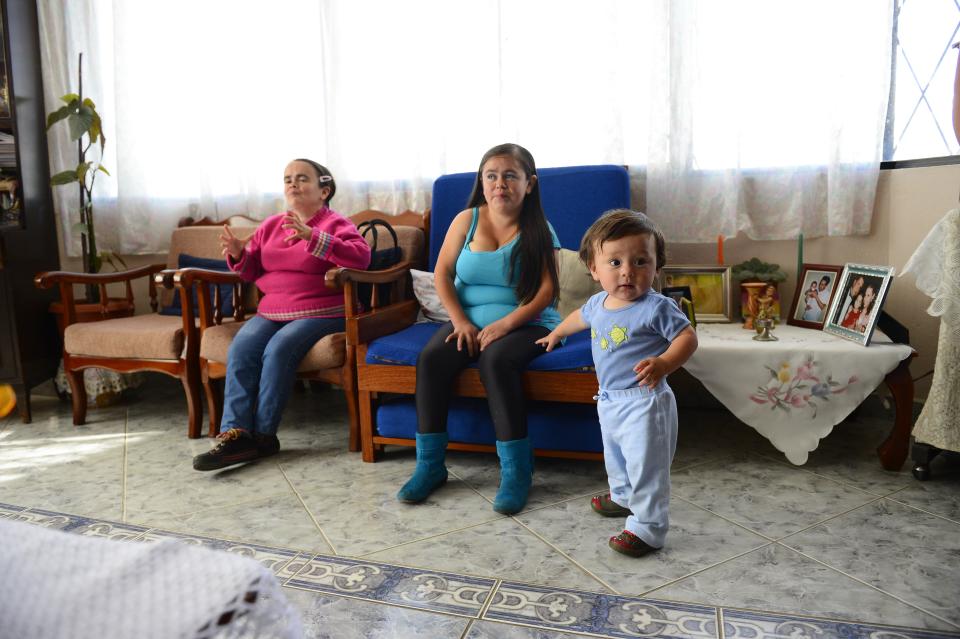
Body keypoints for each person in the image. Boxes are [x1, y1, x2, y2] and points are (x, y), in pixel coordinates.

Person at [396, 143, 562, 515]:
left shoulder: (539, 228)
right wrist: (460, 322)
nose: (499, 183)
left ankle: (517, 473)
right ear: (482, 182)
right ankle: (430, 466)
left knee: (496, 362)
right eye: (491, 175)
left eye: (510, 175)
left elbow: (547, 291)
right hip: (467, 320)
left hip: (525, 321)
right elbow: (442, 274)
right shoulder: (466, 219)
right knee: (432, 359)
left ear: (529, 183)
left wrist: (506, 324)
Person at [536, 210, 698, 558]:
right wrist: (556, 333)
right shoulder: (598, 303)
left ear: (656, 267)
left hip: (645, 401)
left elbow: (688, 338)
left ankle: (648, 528)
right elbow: (578, 317)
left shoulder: (658, 308)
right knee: (616, 456)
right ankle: (623, 496)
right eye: (615, 261)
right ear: (594, 269)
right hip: (609, 399)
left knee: (647, 466)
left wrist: (665, 362)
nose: (627, 271)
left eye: (641, 261)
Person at [192, 159, 372, 471]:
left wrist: (312, 236)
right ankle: (235, 436)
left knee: (279, 349)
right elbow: (252, 271)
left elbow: (362, 258)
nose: (292, 184)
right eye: (288, 178)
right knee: (242, 348)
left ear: (324, 190)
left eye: (302, 179)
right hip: (273, 309)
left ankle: (263, 437)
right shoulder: (271, 225)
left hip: (322, 310)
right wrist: (238, 254)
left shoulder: (336, 224)